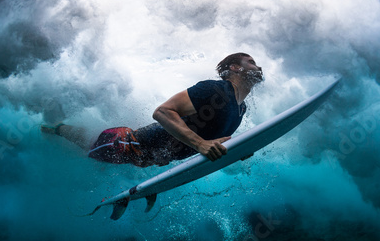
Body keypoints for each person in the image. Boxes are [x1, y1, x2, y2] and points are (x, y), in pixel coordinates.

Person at [41, 53, 263, 167]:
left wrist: (234, 151)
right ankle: (59, 129)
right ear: (235, 67)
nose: (258, 67)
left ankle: (61, 129)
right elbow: (162, 112)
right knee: (86, 142)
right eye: (251, 62)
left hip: (148, 159)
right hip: (124, 145)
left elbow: (211, 141)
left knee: (90, 149)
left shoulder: (239, 108)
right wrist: (201, 144)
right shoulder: (215, 90)